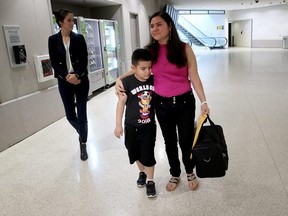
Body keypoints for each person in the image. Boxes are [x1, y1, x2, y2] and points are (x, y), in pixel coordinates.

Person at [115, 11, 210, 192]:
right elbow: (134, 70)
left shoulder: (184, 49)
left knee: (186, 140)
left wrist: (203, 101)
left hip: (184, 103)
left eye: (159, 24)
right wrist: (119, 80)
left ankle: (190, 171)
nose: (155, 28)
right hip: (161, 104)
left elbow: (195, 77)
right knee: (169, 141)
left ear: (170, 26)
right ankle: (175, 173)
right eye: (152, 26)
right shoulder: (150, 51)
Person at [114, 48, 157, 198]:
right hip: (131, 126)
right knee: (135, 152)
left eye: (150, 68)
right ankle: (142, 172)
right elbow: (121, 103)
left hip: (149, 127)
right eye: (143, 68)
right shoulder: (126, 83)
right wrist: (118, 125)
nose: (147, 72)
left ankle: (150, 181)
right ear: (133, 68)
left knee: (148, 153)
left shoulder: (153, 79)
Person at [48, 9, 89, 161]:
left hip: (81, 80)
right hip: (64, 81)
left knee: (82, 114)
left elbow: (84, 60)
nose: (72, 23)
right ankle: (82, 132)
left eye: (73, 20)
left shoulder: (79, 38)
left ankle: (83, 143)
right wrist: (66, 76)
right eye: (69, 20)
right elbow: (54, 63)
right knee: (70, 115)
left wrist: (77, 75)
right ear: (61, 22)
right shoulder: (52, 40)